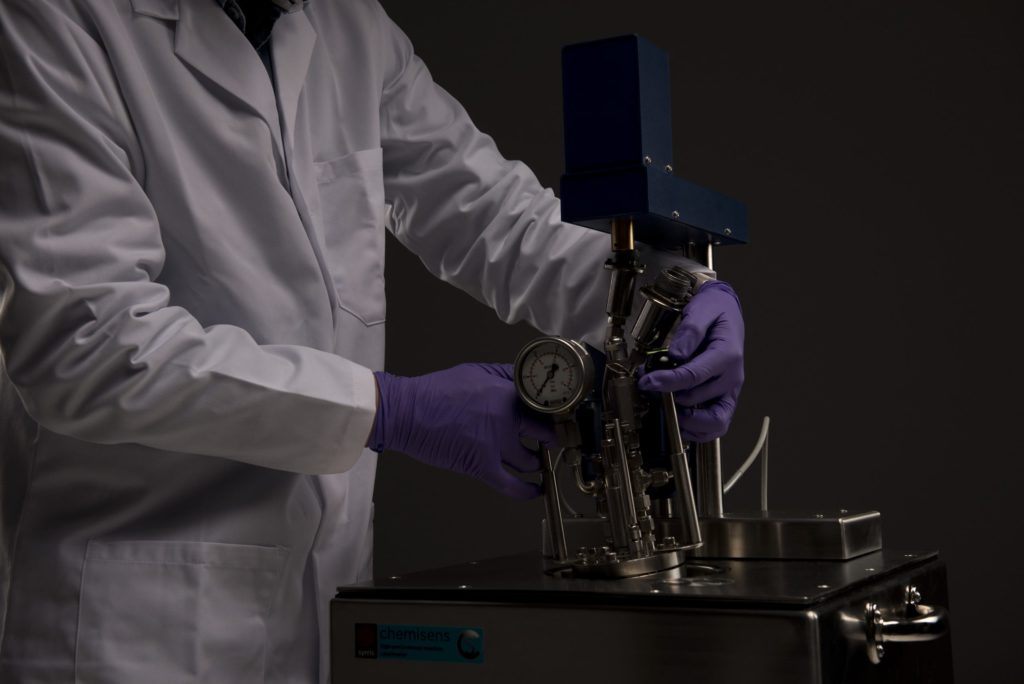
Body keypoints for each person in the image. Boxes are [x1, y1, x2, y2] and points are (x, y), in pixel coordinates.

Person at [0, 1, 744, 682]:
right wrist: (387, 409)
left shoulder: (348, 24)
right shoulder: (57, 21)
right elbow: (84, 342)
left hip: (324, 606)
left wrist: (672, 293)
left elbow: (489, 212)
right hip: (133, 634)